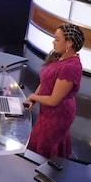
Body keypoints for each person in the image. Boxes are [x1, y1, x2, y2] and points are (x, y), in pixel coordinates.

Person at [24, 23, 85, 159]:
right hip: (48, 111)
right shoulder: (60, 56)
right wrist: (33, 98)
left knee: (44, 148)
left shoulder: (70, 67)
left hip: (58, 115)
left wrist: (33, 96)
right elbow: (45, 82)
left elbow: (54, 100)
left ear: (68, 43)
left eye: (57, 39)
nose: (53, 42)